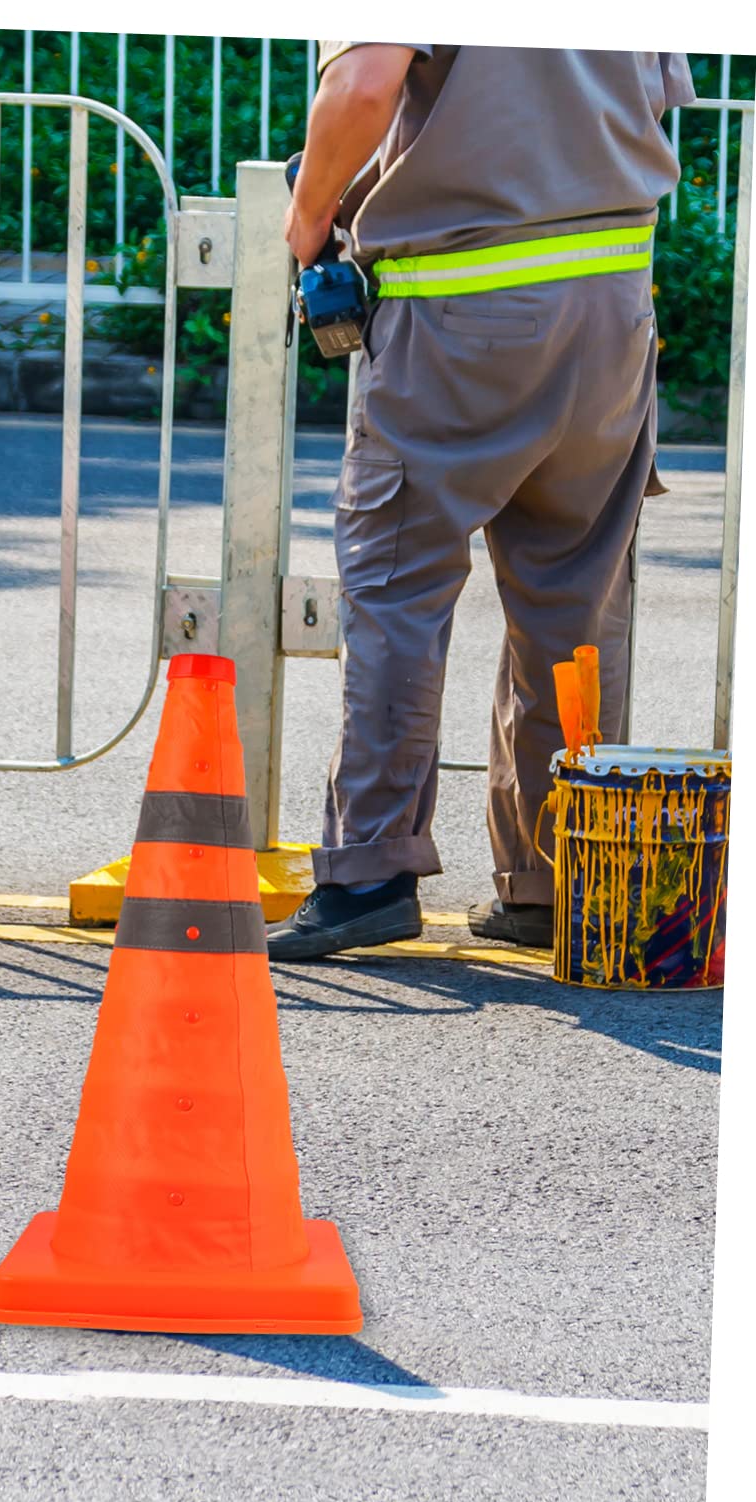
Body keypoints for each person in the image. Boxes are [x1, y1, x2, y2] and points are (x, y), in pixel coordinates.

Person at [267, 43, 697, 962]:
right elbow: (659, 93)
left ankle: (371, 871)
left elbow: (364, 80)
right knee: (574, 601)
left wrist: (306, 223)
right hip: (611, 305)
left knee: (397, 586)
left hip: (459, 304)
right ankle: (558, 878)